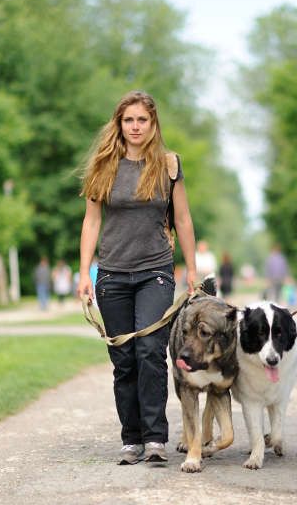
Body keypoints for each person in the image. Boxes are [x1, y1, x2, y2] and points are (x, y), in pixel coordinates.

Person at [77, 90, 197, 466]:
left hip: (155, 273)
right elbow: (91, 221)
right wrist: (84, 273)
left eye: (141, 120)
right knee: (124, 358)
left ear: (153, 123)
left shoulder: (169, 165)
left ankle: (156, 438)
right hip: (111, 274)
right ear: (119, 123)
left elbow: (183, 219)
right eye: (128, 120)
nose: (135, 126)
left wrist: (191, 269)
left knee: (149, 351)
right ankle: (132, 439)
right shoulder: (103, 166)